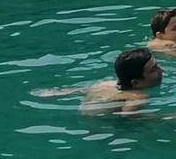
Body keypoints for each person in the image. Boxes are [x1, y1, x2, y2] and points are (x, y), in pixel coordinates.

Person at [36, 48, 168, 115]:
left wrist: (53, 93)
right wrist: (175, 116)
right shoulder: (139, 96)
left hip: (86, 112)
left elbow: (78, 90)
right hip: (100, 127)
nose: (161, 70)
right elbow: (129, 117)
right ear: (135, 83)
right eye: (154, 69)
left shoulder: (107, 84)